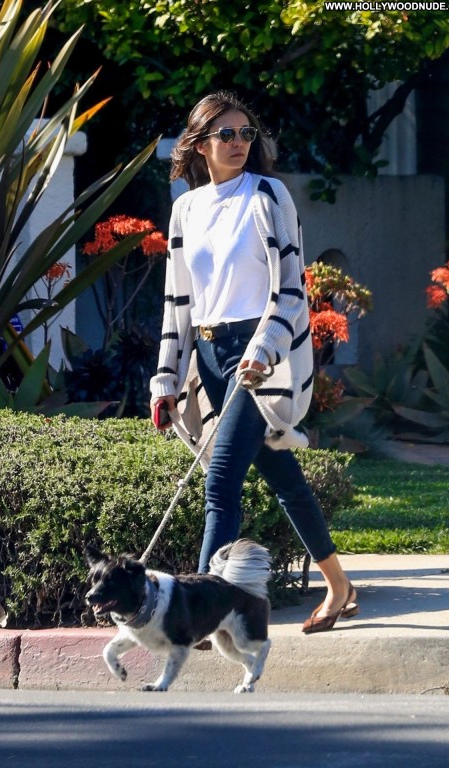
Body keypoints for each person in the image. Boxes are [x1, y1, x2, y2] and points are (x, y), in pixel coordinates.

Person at [150, 91, 358, 634]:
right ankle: (339, 585)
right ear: (199, 145)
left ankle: (198, 612)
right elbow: (177, 302)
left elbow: (291, 289)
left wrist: (263, 351)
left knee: (220, 480)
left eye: (247, 133)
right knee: (282, 474)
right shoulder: (185, 209)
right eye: (226, 134)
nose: (239, 142)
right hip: (210, 355)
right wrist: (166, 378)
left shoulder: (268, 195)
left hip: (260, 354)